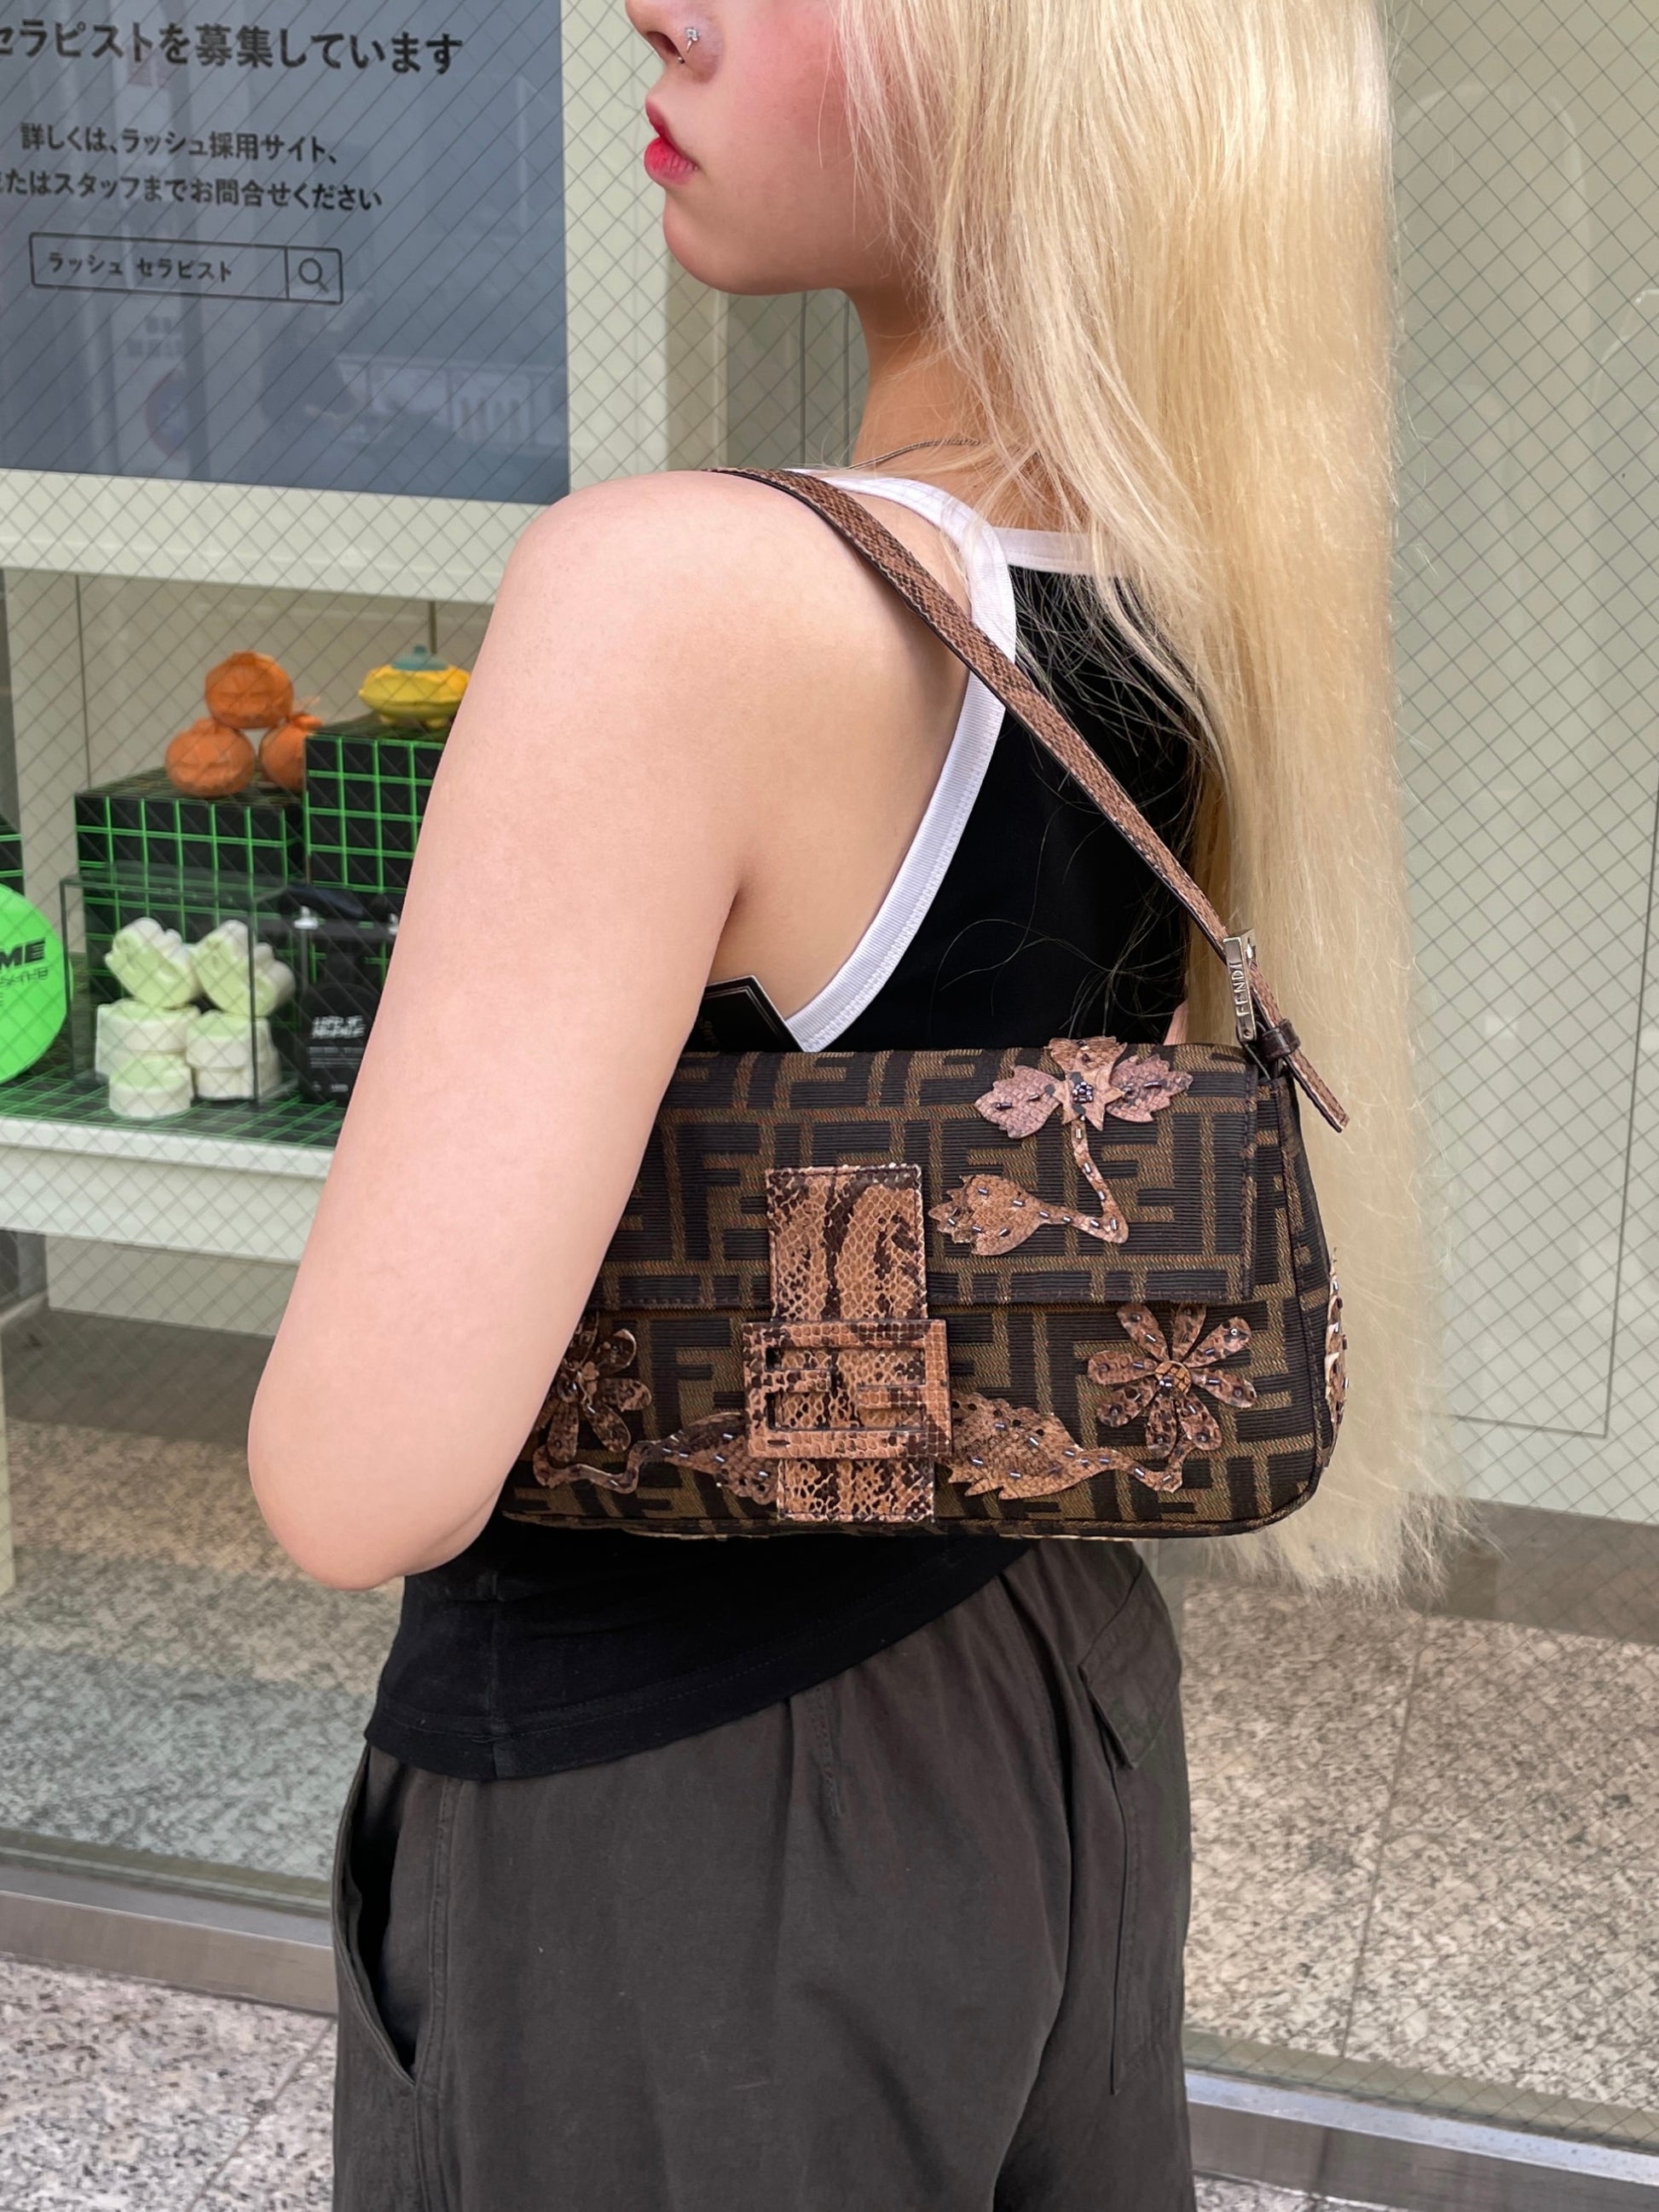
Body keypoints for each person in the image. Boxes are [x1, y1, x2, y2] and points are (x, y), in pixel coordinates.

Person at [250, 2, 1436, 2204]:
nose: (657, 7)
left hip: (685, 1817)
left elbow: (353, 1481)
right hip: (1048, 1689)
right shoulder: (1184, 584)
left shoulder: (678, 598)